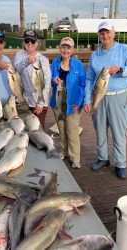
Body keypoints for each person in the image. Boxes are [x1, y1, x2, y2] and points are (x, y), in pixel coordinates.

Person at [83, 21, 127, 179]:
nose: (105, 35)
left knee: (119, 132)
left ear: (114, 33)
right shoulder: (95, 55)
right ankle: (103, 158)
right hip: (99, 98)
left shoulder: (124, 49)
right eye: (102, 33)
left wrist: (120, 69)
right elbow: (89, 79)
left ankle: (120, 164)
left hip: (118, 97)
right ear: (99, 35)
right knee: (100, 131)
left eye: (107, 32)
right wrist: (88, 100)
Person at [50, 37, 86, 169]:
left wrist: (79, 102)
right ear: (60, 48)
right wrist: (53, 80)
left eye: (68, 47)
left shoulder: (78, 65)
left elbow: (83, 85)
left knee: (72, 131)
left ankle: (75, 157)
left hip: (73, 105)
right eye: (63, 47)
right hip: (57, 102)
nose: (65, 50)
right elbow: (49, 79)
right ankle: (63, 151)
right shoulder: (54, 62)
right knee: (61, 129)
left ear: (72, 49)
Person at [13, 30, 51, 129]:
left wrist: (40, 104)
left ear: (37, 43)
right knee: (23, 130)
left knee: (37, 131)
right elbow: (16, 69)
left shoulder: (44, 60)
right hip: (23, 101)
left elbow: (47, 83)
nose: (30, 43)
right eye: (27, 41)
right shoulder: (19, 55)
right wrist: (26, 62)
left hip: (38, 104)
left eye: (32, 41)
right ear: (23, 42)